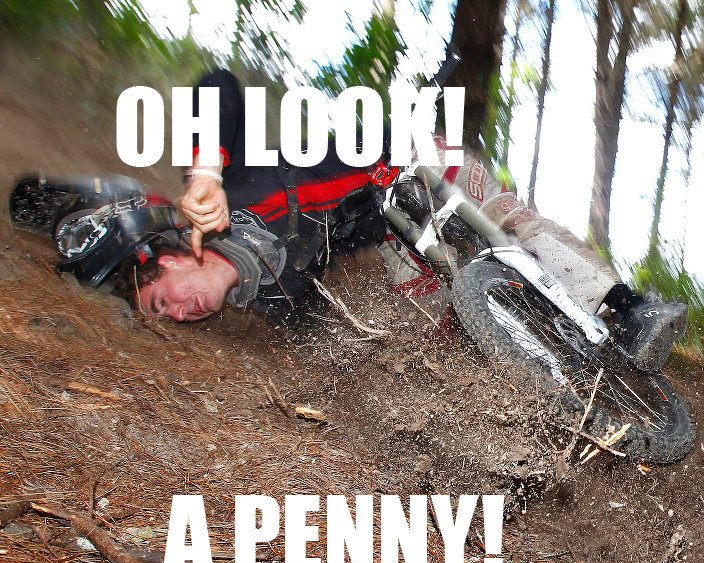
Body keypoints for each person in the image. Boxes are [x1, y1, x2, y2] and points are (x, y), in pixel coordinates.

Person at [135, 69, 687, 372]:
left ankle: (630, 308)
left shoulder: (223, 194)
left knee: (506, 224)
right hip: (392, 231)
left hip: (405, 156)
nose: (181, 314)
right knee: (436, 325)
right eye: (170, 320)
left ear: (171, 260)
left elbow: (218, 86)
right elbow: (328, 347)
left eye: (163, 301)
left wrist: (204, 172)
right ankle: (560, 386)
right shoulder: (270, 300)